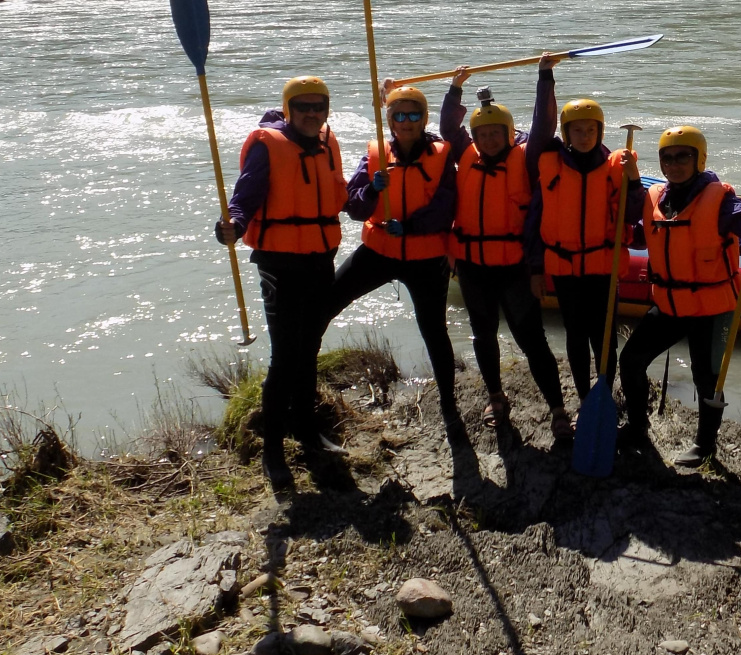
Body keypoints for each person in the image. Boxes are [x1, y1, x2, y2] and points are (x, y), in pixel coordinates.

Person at [618, 125, 741, 467]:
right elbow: (640, 231)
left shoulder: (720, 201)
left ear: (699, 159)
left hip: (710, 307)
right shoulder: (656, 197)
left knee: (706, 378)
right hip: (669, 304)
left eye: (683, 156)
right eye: (667, 158)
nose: (674, 164)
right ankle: (637, 426)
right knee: (631, 360)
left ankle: (705, 446)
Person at [218, 75, 348, 492]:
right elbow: (245, 197)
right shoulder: (267, 146)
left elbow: (340, 194)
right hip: (280, 262)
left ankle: (307, 430)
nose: (312, 114)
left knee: (309, 348)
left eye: (318, 106)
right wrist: (233, 224)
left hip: (320, 257)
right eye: (303, 107)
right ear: (289, 109)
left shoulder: (328, 142)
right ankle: (272, 451)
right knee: (286, 355)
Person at [325, 83, 466, 442]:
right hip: (380, 252)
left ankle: (448, 405)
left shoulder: (441, 154)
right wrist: (371, 190)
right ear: (389, 120)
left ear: (423, 119)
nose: (406, 121)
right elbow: (354, 207)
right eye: (398, 115)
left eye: (414, 114)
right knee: (327, 303)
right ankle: (302, 383)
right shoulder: (376, 153)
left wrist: (411, 226)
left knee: (434, 330)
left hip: (425, 257)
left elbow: (446, 206)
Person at [440, 68, 570, 440]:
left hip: (514, 268)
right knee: (483, 336)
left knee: (532, 341)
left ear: (509, 133)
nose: (489, 139)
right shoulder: (466, 154)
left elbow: (544, 126)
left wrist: (545, 78)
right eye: (482, 134)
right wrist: (454, 89)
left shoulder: (526, 159)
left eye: (496, 133)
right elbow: (449, 129)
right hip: (473, 268)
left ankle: (557, 409)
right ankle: (496, 397)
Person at [524, 61, 647, 403]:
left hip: (602, 269)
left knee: (604, 339)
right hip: (565, 270)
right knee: (576, 337)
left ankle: (603, 395)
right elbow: (535, 220)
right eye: (577, 130)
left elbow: (633, 214)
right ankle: (583, 396)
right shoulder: (550, 163)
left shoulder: (616, 167)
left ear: (600, 132)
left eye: (591, 129)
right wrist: (536, 268)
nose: (585, 136)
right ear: (566, 134)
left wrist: (635, 179)